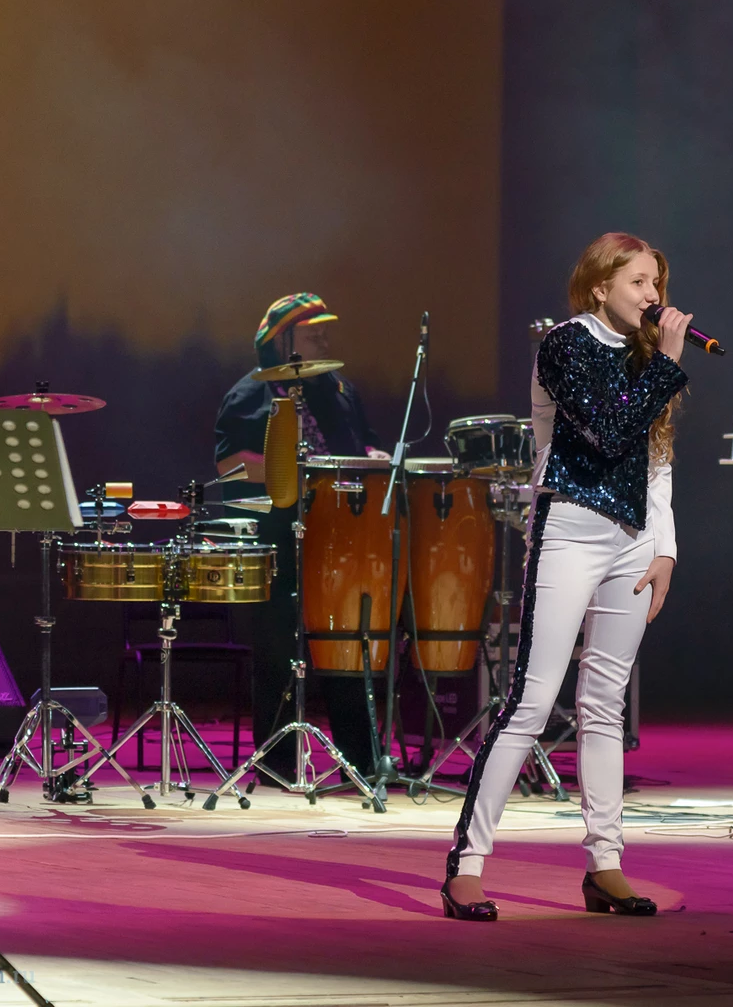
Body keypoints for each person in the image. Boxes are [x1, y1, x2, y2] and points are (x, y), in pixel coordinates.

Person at [441, 232, 691, 921]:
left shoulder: (645, 356)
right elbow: (608, 432)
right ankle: (466, 864)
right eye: (638, 282)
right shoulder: (565, 344)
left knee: (605, 703)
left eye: (656, 283)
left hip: (633, 540)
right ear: (600, 286)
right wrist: (668, 364)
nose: (652, 296)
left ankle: (605, 864)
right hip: (571, 530)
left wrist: (666, 547)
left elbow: (654, 456)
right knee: (531, 699)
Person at [214, 293, 387, 783]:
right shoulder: (251, 393)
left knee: (347, 644)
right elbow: (229, 464)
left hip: (342, 537)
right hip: (277, 537)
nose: (324, 341)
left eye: (325, 333)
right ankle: (276, 763)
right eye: (314, 334)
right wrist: (292, 470)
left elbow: (362, 442)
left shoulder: (338, 388)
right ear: (282, 340)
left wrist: (372, 456)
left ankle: (361, 761)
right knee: (277, 651)